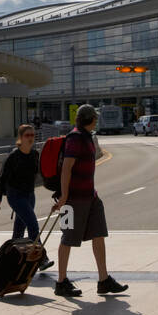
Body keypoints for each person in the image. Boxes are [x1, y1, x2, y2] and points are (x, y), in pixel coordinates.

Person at [50, 104, 127, 297]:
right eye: (95, 118)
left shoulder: (87, 137)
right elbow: (67, 168)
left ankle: (104, 280)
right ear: (89, 119)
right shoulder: (75, 138)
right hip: (73, 200)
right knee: (67, 238)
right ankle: (61, 282)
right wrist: (64, 196)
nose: (97, 121)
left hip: (90, 197)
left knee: (98, 234)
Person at [0, 124, 53, 272]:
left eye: (33, 135)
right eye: (27, 135)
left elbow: (42, 173)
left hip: (30, 195)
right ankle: (41, 258)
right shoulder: (14, 156)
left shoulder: (35, 154)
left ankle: (10, 260)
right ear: (20, 138)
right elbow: (2, 179)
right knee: (33, 225)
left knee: (19, 231)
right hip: (15, 196)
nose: (31, 138)